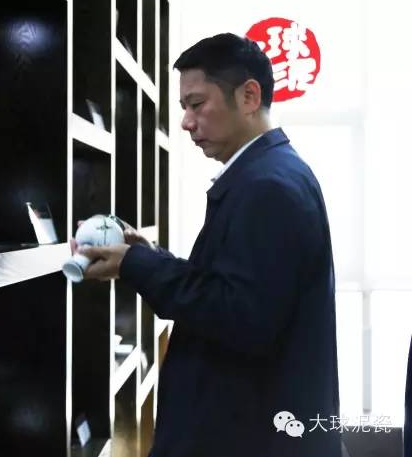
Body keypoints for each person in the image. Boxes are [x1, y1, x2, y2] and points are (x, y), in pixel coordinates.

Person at [76, 33, 342, 457]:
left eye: (196, 104)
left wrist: (136, 264)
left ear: (249, 96)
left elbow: (239, 316)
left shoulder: (268, 186)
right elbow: (233, 288)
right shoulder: (267, 173)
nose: (185, 122)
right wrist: (149, 256)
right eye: (184, 107)